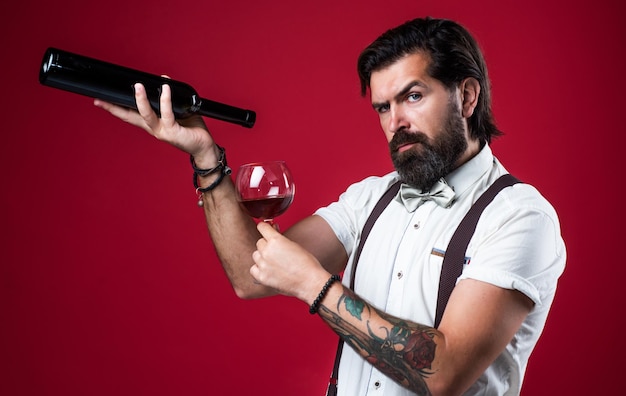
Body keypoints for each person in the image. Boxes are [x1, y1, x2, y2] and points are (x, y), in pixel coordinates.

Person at [95, 17, 566, 396]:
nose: (395, 122)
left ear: (466, 95)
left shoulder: (520, 218)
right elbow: (249, 273)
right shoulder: (371, 197)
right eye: (382, 108)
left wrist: (315, 286)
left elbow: (441, 374)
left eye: (413, 96)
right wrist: (205, 157)